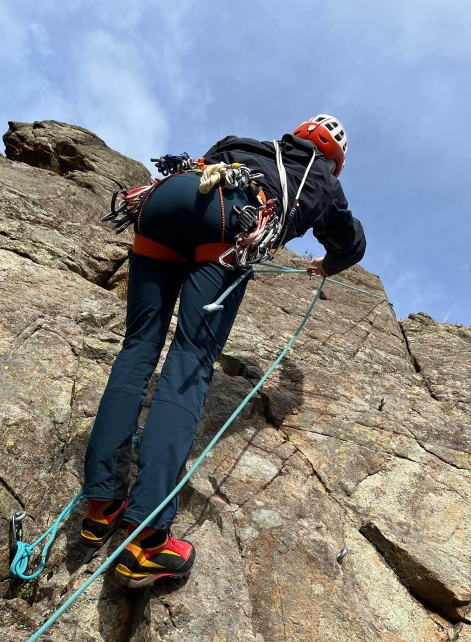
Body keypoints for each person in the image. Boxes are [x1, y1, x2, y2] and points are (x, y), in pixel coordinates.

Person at [80, 114, 366, 589]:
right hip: (229, 218)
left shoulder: (244, 143)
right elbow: (349, 242)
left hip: (168, 200)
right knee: (190, 360)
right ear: (334, 160)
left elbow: (208, 167)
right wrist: (329, 264)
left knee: (138, 346)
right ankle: (146, 537)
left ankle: (101, 503)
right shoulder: (320, 175)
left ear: (295, 133)